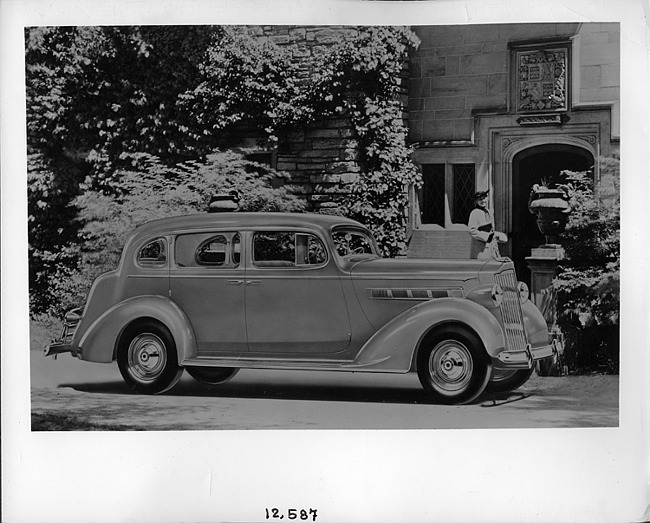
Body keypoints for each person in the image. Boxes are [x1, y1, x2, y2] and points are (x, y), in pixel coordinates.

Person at [468, 189, 507, 259]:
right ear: (476, 201)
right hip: (480, 249)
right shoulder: (475, 212)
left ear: (487, 198)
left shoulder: (488, 212)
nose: (483, 201)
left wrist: (498, 236)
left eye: (484, 198)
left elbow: (491, 230)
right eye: (480, 199)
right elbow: (472, 231)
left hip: (491, 248)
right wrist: (487, 236)